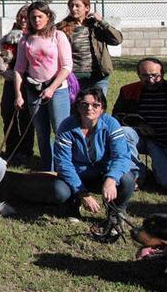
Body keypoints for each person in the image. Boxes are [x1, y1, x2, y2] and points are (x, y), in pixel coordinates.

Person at [52, 87, 135, 220]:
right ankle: (72, 205)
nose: (90, 108)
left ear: (102, 108)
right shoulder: (66, 127)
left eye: (95, 105)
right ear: (78, 107)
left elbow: (122, 156)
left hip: (103, 173)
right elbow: (63, 163)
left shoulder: (111, 124)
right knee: (59, 191)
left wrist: (111, 178)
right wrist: (82, 193)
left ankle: (115, 211)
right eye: (84, 104)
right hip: (76, 173)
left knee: (127, 180)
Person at [13, 1, 73, 171]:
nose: (36, 20)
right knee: (41, 132)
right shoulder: (25, 40)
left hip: (58, 90)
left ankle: (66, 167)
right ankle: (48, 168)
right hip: (34, 90)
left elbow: (67, 66)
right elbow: (19, 69)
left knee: (61, 131)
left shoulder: (58, 35)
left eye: (40, 16)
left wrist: (52, 88)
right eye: (33, 17)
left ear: (48, 16)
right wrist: (18, 94)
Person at [113, 58, 167, 191]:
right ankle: (136, 174)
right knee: (123, 132)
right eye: (145, 76)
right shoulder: (128, 91)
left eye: (155, 76)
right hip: (140, 139)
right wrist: (139, 125)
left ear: (162, 74)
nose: (151, 80)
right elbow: (117, 117)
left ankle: (160, 169)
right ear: (138, 75)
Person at [56, 0, 122, 94]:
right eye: (71, 6)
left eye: (78, 6)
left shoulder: (96, 26)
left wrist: (102, 22)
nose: (73, 9)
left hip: (98, 75)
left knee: (97, 106)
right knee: (76, 107)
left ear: (87, 8)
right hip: (74, 76)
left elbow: (117, 40)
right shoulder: (61, 27)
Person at [0, 5, 34, 163]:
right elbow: (0, 56)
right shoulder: (8, 37)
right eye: (21, 16)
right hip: (10, 79)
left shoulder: (34, 36)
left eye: (27, 17)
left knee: (26, 116)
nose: (23, 20)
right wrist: (2, 70)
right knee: (7, 111)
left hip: (28, 81)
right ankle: (12, 147)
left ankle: (26, 150)